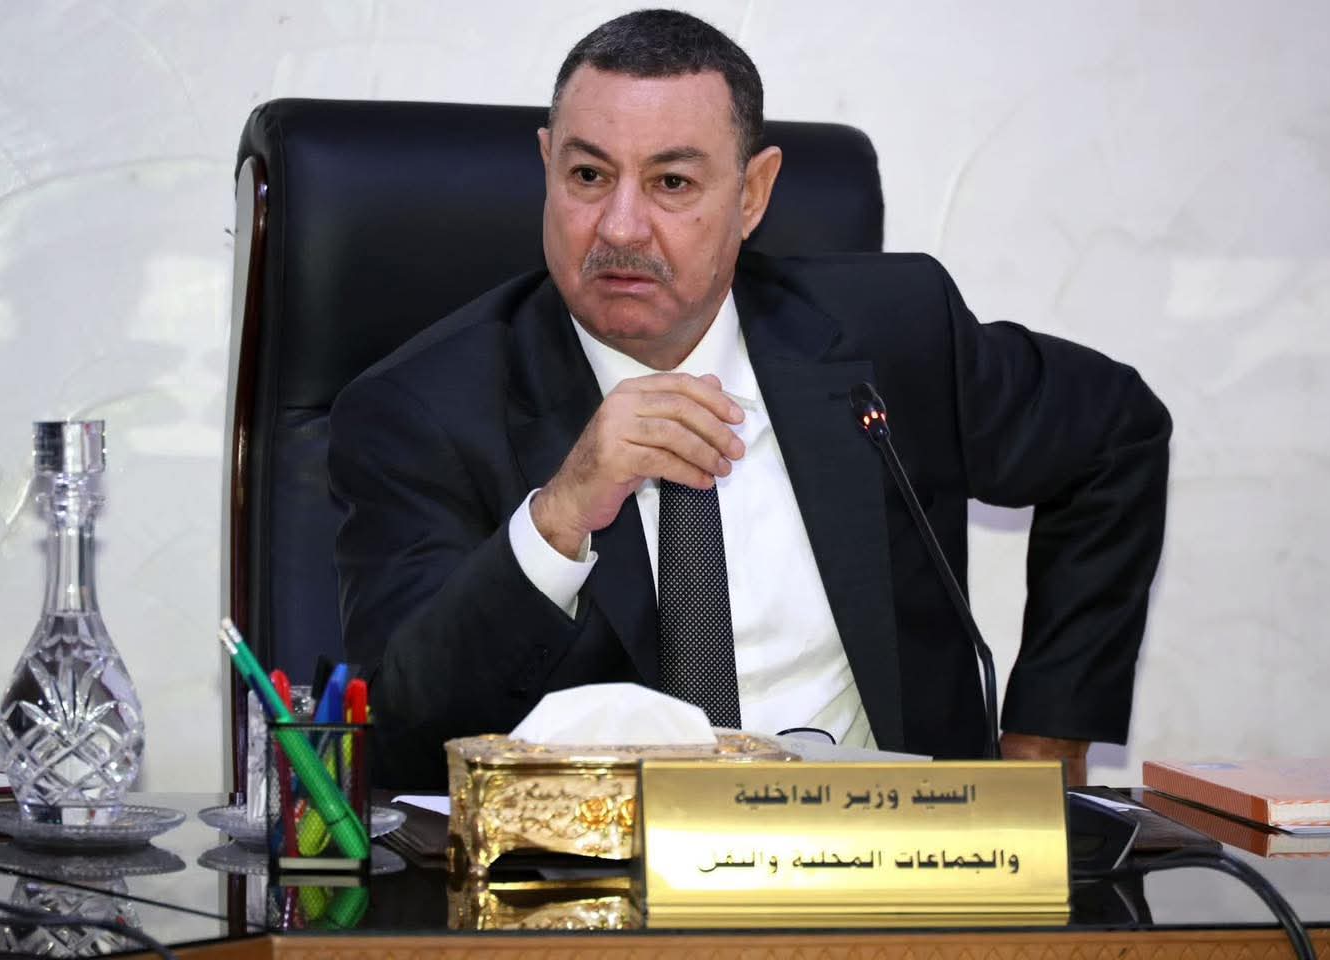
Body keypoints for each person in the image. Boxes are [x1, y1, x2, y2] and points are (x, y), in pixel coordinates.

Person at [328, 9, 1171, 790]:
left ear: (753, 194)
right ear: (546, 166)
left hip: (887, 860)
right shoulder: (421, 412)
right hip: (597, 881)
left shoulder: (893, 335)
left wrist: (1047, 741)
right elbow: (399, 738)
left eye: (672, 183)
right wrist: (558, 516)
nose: (620, 227)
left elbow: (1115, 434)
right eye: (588, 175)